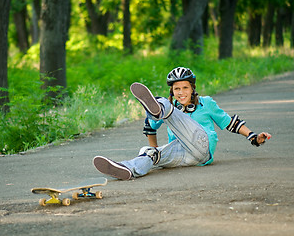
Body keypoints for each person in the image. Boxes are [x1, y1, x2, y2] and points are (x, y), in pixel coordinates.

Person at [93, 67, 272, 180]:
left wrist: (253, 137)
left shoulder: (206, 102)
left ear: (192, 88)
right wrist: (155, 150)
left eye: (185, 88)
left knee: (166, 108)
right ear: (172, 90)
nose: (181, 92)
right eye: (176, 89)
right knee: (149, 153)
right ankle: (128, 169)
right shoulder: (173, 106)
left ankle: (157, 107)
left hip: (202, 147)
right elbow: (149, 128)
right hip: (183, 155)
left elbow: (230, 123)